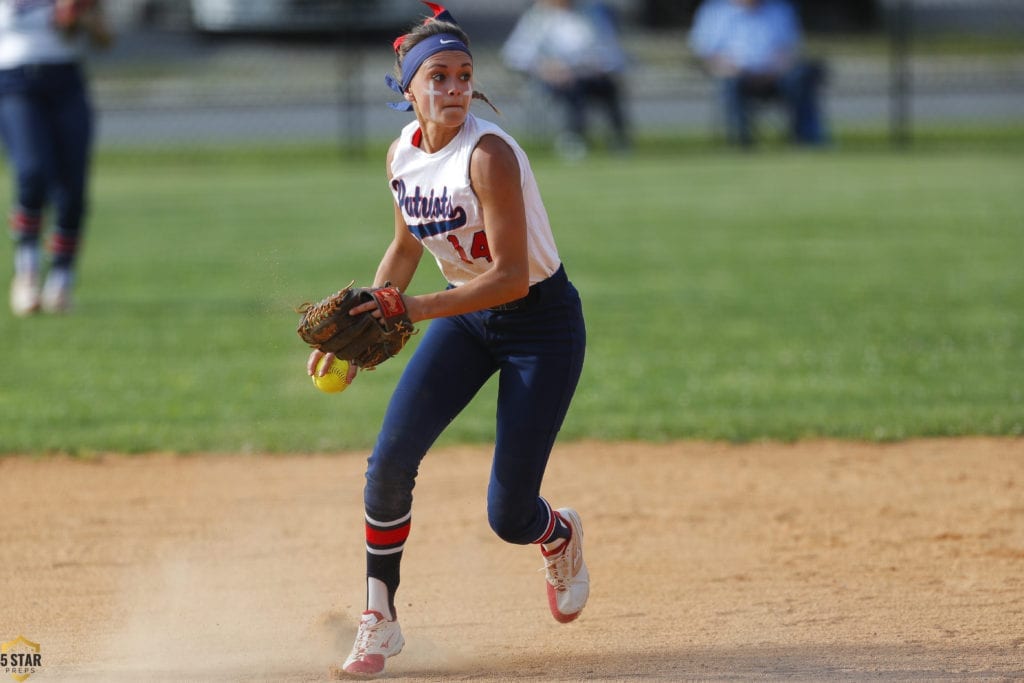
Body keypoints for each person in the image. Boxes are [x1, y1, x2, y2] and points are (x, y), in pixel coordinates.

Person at [306, 2, 589, 676]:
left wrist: (413, 309)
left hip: (539, 325)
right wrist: (369, 320)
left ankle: (559, 532)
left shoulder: (488, 154)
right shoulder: (402, 154)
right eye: (439, 77)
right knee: (389, 463)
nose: (456, 88)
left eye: (465, 75)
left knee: (509, 513)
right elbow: (406, 245)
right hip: (462, 318)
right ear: (409, 89)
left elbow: (513, 279)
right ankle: (381, 614)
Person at [1, 0, 111, 316]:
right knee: (32, 171)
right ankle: (27, 273)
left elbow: (105, 40)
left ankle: (61, 280)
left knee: (72, 188)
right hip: (13, 82)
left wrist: (78, 18)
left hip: (65, 82)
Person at [688, 0, 828, 148]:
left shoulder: (780, 9)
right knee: (731, 83)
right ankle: (741, 142)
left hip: (776, 76)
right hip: (737, 76)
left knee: (800, 76)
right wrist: (731, 68)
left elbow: (790, 50)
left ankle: (807, 138)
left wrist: (774, 70)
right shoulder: (715, 11)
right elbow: (706, 54)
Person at [501, 0, 630, 159]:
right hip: (556, 79)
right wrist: (545, 67)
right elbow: (515, 55)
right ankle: (574, 139)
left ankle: (619, 140)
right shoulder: (538, 17)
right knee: (574, 90)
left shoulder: (593, 13)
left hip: (592, 74)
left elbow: (611, 50)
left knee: (609, 88)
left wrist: (601, 66)